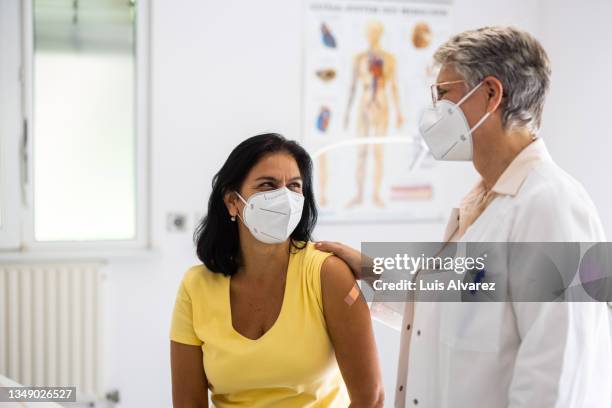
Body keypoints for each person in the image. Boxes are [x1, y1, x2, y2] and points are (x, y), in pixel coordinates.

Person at [316, 26, 612, 407]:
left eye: (443, 93)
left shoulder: (555, 207)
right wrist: (372, 272)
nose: (434, 108)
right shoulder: (483, 202)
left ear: (490, 94)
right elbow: (455, 315)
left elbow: (560, 380)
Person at [170, 133, 384, 407]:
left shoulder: (328, 273)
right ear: (232, 201)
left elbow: (371, 398)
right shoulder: (196, 285)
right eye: (267, 185)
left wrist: (378, 272)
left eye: (294, 186)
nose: (283, 197)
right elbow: (188, 403)